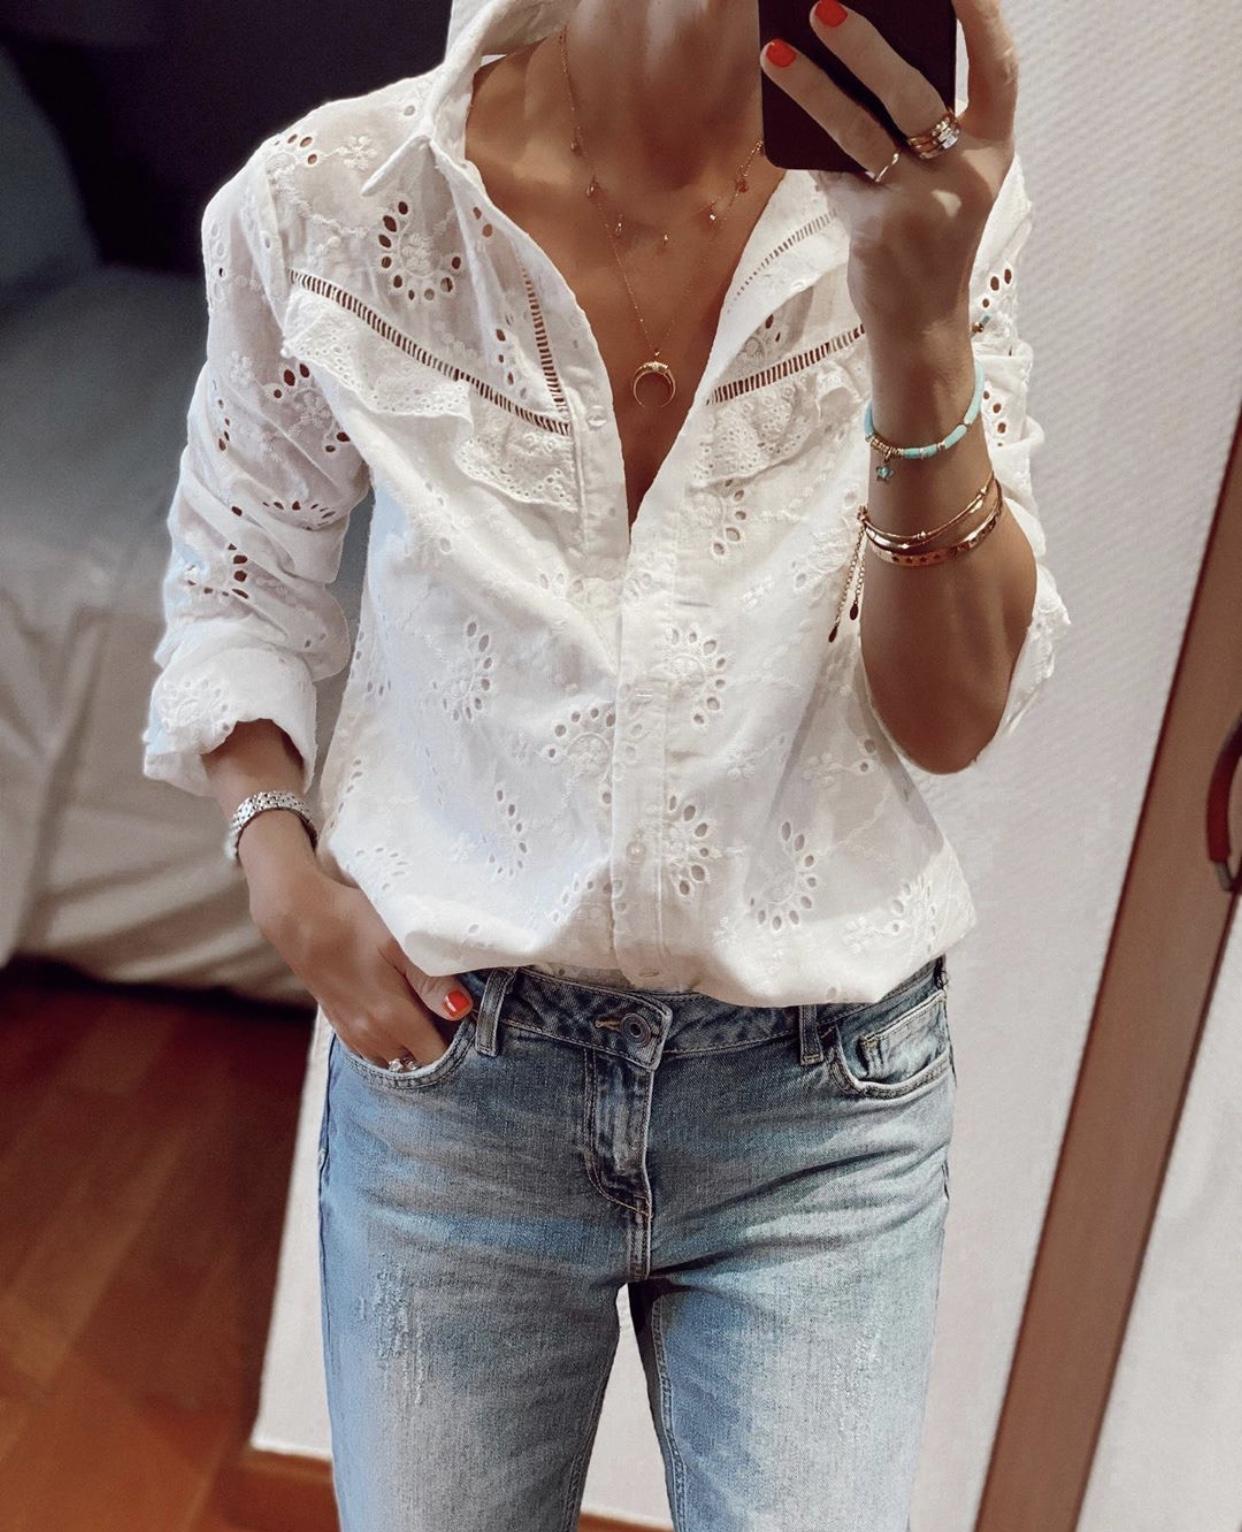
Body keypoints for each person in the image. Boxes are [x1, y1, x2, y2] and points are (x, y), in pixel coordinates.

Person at [141, 0, 1070, 1525]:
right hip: (457, 1087)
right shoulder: (339, 196)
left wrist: (917, 335)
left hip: (819, 1110)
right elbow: (240, 575)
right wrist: (279, 868)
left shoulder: (930, 203)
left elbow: (951, 716)